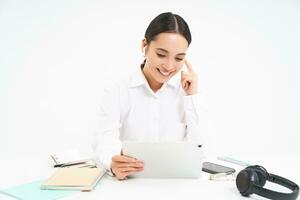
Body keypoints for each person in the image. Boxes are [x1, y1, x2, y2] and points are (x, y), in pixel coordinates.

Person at [93, 12, 202, 180]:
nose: (169, 66)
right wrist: (112, 163)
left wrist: (192, 97)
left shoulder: (186, 92)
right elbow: (104, 139)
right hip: (128, 185)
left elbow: (200, 150)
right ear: (145, 45)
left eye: (179, 58)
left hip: (175, 186)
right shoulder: (118, 89)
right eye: (161, 54)